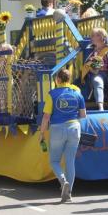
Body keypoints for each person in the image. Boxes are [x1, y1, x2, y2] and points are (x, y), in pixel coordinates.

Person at [39, 69, 86, 203]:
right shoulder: (77, 93)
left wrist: (42, 133)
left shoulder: (52, 94)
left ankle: (62, 180)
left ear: (58, 79)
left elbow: (46, 116)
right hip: (74, 128)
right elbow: (83, 115)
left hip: (57, 129)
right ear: (69, 79)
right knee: (70, 161)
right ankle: (68, 194)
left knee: (54, 161)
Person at [81, 28, 108, 111]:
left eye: (93, 36)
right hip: (95, 75)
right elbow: (93, 70)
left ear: (101, 37)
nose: (91, 38)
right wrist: (92, 68)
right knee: (97, 81)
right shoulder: (91, 51)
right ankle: (101, 107)